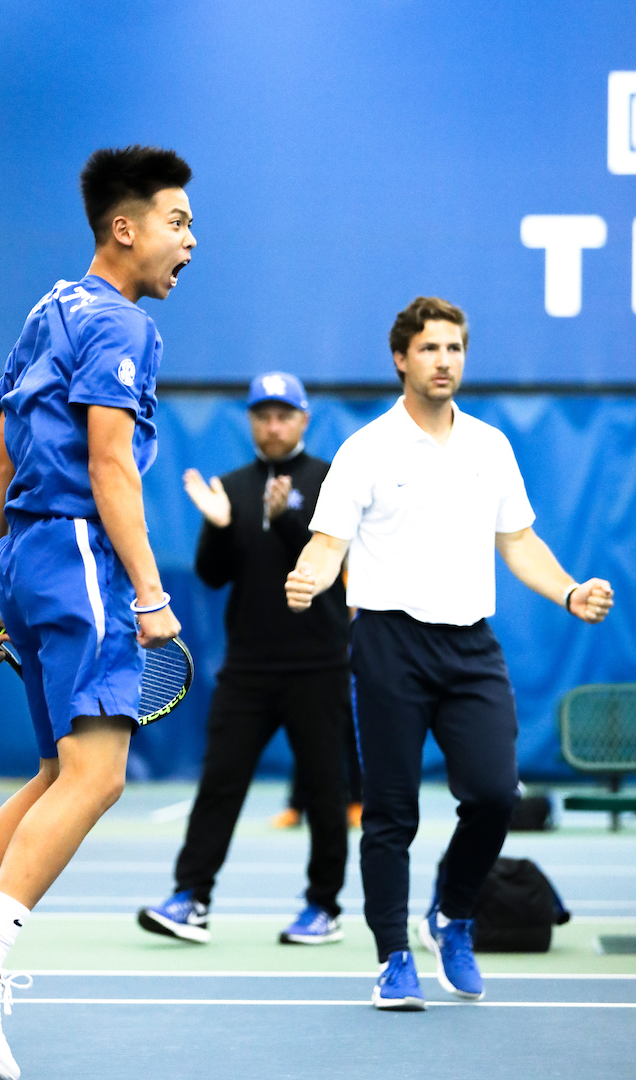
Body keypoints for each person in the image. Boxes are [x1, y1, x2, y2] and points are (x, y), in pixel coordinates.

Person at [0, 145, 196, 1080]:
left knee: (57, 770)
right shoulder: (124, 327)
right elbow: (109, 466)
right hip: (78, 554)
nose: (191, 241)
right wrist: (150, 592)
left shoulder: (47, 309)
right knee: (99, 778)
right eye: (178, 223)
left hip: (27, 559)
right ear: (126, 226)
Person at [285, 296, 613, 1009]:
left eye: (455, 348)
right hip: (388, 642)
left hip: (471, 646)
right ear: (402, 358)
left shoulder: (490, 446)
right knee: (391, 813)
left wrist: (568, 592)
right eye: (431, 348)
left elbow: (519, 541)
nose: (445, 361)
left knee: (496, 795)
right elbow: (329, 540)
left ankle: (451, 916)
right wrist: (311, 573)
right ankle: (392, 958)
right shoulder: (366, 448)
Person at [138, 373, 351, 945]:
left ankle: (323, 907)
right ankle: (190, 899)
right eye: (263, 415)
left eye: (284, 414)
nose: (273, 424)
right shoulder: (229, 486)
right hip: (248, 670)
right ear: (252, 421)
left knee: (326, 790)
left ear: (304, 419)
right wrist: (217, 526)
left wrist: (283, 518)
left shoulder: (332, 482)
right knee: (220, 785)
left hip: (319, 664)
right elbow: (212, 575)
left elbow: (316, 566)